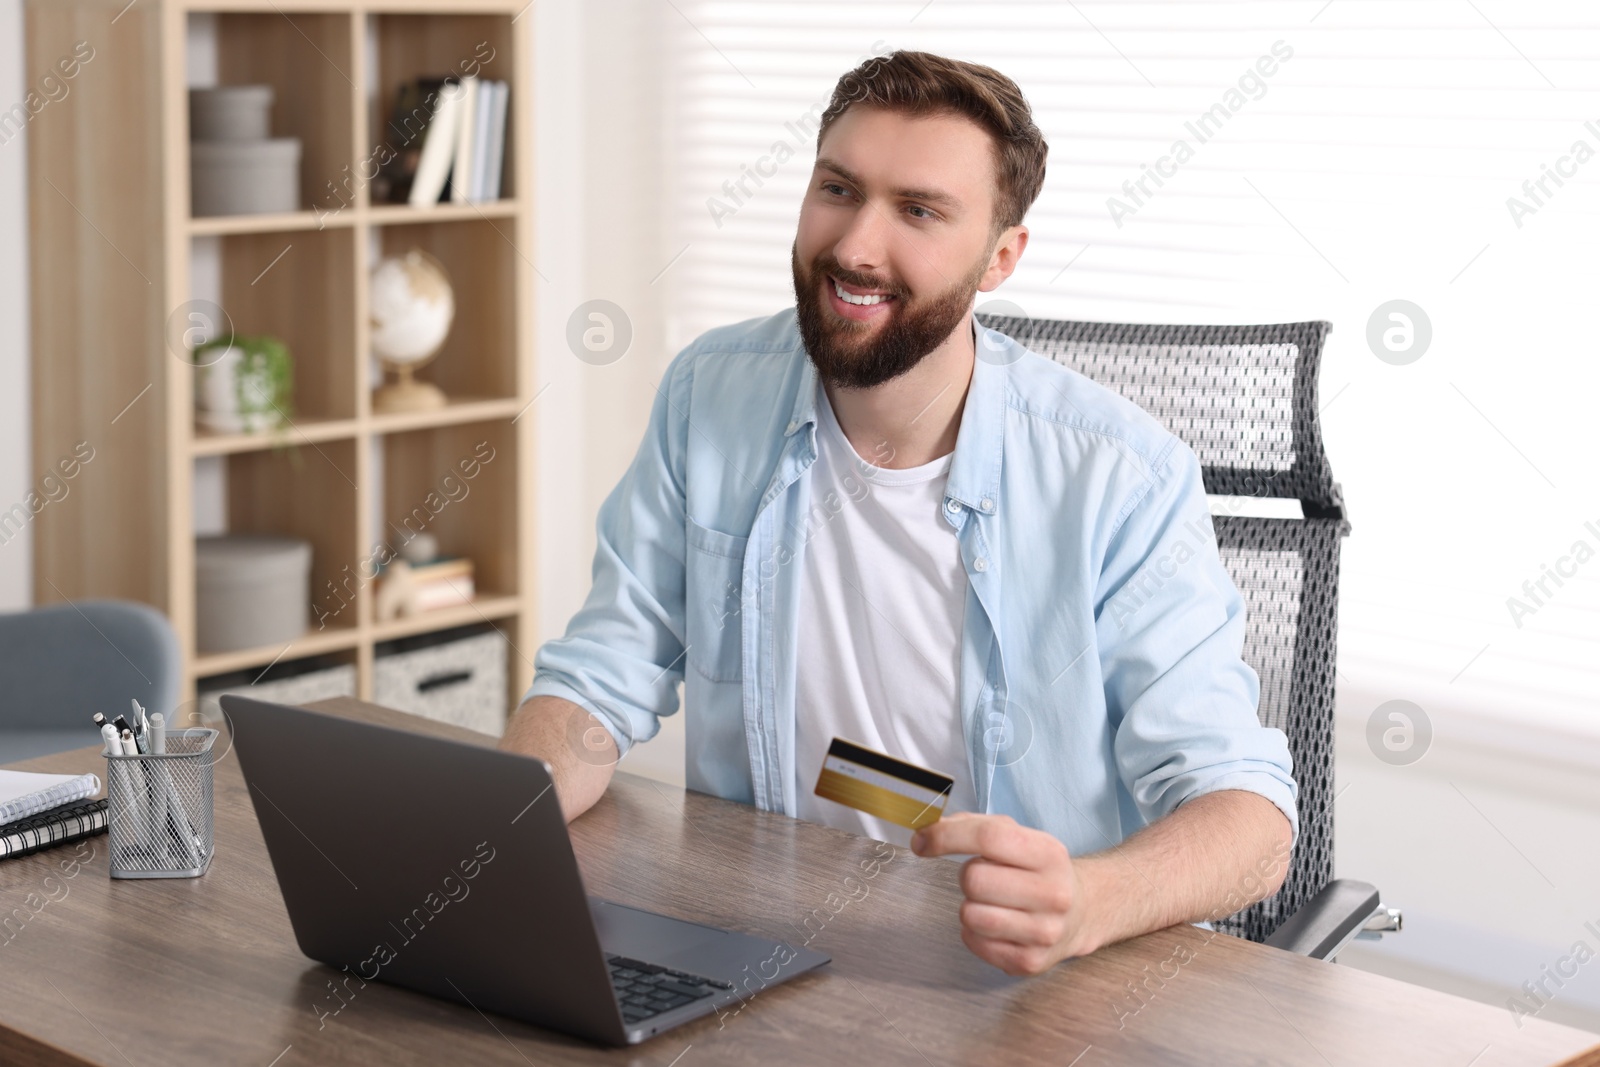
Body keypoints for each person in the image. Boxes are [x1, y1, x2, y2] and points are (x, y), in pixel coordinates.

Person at [500, 50, 1297, 977]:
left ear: (1001, 257)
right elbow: (602, 678)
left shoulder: (1123, 476)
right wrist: (495, 823)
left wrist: (1089, 901)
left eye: (918, 211)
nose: (856, 246)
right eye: (838, 189)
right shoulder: (710, 393)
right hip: (764, 948)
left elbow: (1248, 818)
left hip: (1015, 978)